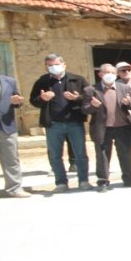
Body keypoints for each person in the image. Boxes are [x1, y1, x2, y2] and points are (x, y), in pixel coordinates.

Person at [29, 53, 92, 192]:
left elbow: (90, 98)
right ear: (46, 67)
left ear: (64, 65)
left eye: (56, 64)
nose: (53, 67)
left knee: (80, 154)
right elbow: (33, 101)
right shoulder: (42, 81)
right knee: (55, 155)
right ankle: (61, 183)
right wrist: (42, 98)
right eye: (50, 65)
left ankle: (84, 181)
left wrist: (77, 98)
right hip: (53, 124)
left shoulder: (78, 80)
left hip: (75, 123)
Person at [82, 63, 131, 191]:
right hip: (103, 128)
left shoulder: (124, 88)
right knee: (103, 156)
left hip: (122, 126)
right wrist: (93, 106)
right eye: (107, 73)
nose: (110, 75)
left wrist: (129, 103)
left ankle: (129, 180)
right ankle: (103, 182)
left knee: (125, 154)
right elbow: (84, 110)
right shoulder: (91, 90)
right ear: (100, 74)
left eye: (113, 73)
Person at [0, 51, 30, 197]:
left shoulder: (9, 81)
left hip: (7, 127)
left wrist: (17, 102)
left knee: (11, 160)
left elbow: (16, 101)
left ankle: (14, 188)